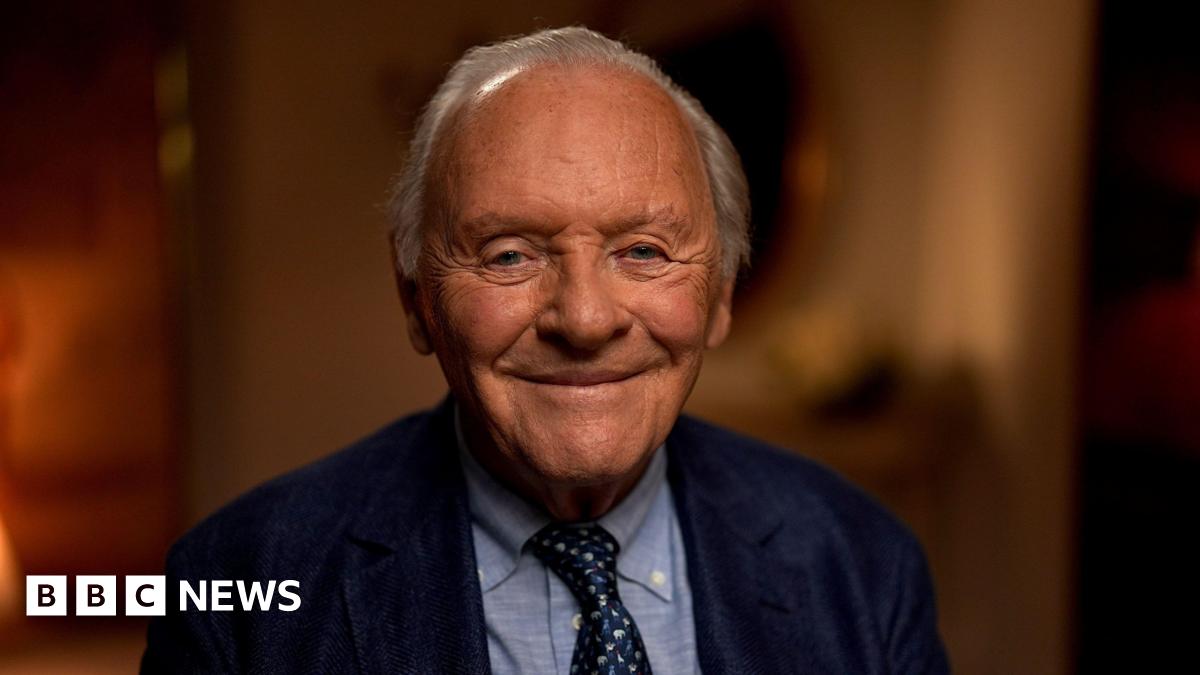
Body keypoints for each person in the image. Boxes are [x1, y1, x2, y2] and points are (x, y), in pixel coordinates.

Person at [142, 27, 948, 674]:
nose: (586, 318)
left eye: (643, 250)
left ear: (721, 297)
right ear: (416, 299)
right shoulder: (233, 591)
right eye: (509, 254)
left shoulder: (863, 563)